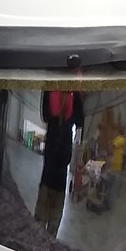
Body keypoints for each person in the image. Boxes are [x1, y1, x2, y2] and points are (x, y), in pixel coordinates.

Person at [34, 90, 84, 236]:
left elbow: (80, 120)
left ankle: (52, 231)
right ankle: (39, 227)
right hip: (54, 143)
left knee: (58, 184)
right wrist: (59, 116)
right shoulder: (50, 89)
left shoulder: (73, 93)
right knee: (47, 183)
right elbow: (45, 115)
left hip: (63, 146)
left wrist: (75, 100)